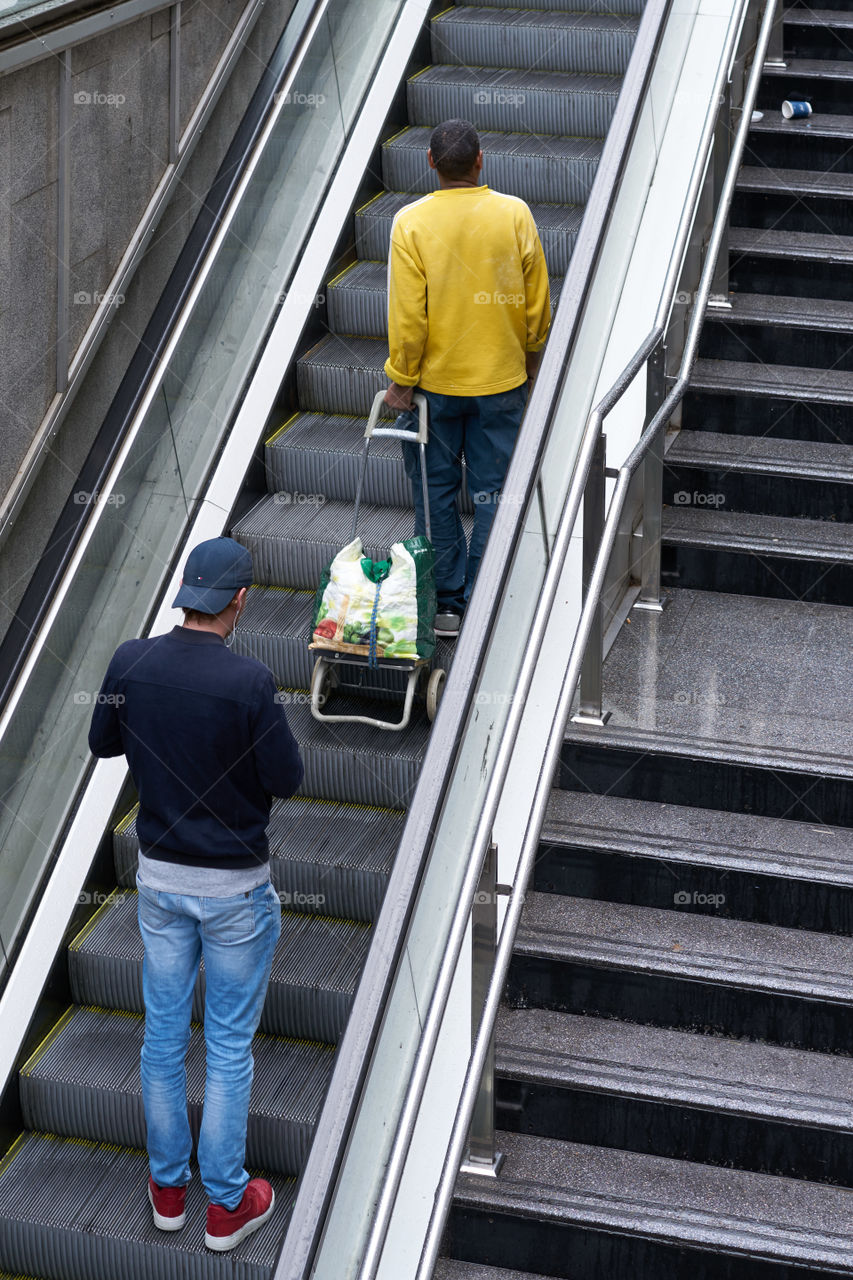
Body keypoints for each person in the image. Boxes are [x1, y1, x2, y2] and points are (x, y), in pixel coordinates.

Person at [88, 536, 303, 1252]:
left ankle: (169, 1190)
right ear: (239, 601)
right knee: (229, 1047)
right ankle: (226, 1204)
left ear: (186, 593)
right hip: (235, 892)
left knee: (162, 1038)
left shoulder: (131, 661)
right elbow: (287, 778)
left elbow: (103, 744)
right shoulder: (250, 683)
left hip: (160, 886)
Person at [383, 117, 551, 637]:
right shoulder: (515, 214)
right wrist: (530, 356)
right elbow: (537, 303)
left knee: (434, 494)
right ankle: (486, 599)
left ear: (430, 163)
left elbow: (409, 318)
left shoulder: (410, 223)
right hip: (500, 385)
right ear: (482, 161)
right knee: (492, 494)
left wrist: (401, 380)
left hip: (433, 393)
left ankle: (447, 604)